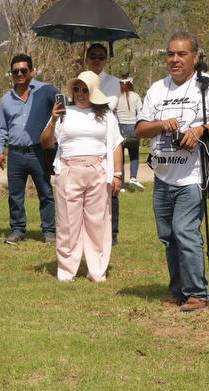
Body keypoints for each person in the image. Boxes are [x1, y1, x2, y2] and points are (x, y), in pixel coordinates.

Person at [135, 32, 209, 311]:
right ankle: (179, 291)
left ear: (195, 57)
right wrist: (161, 125)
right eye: (170, 54)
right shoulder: (157, 89)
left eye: (181, 54)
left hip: (194, 175)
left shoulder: (208, 85)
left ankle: (197, 294)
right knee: (167, 235)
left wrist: (201, 129)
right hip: (163, 174)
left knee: (185, 230)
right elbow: (140, 129)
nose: (175, 59)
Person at [42, 70, 123, 282]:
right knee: (68, 223)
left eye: (84, 89)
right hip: (68, 171)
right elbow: (46, 142)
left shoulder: (106, 116)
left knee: (98, 223)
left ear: (93, 92)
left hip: (98, 170)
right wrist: (53, 119)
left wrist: (118, 175)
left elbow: (116, 144)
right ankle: (67, 271)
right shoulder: (64, 113)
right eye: (76, 89)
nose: (79, 93)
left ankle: (97, 271)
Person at [0, 53, 58, 243]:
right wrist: (0, 150)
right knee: (15, 195)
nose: (20, 74)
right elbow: (1, 126)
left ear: (31, 71)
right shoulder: (6, 99)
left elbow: (63, 109)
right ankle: (17, 229)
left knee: (46, 193)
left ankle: (49, 231)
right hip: (15, 153)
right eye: (16, 71)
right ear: (12, 74)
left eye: (24, 70)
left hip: (39, 152)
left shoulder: (46, 91)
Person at [85, 42, 124, 243]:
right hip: (87, 139)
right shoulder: (80, 80)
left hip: (108, 136)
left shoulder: (113, 81)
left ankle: (112, 232)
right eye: (93, 56)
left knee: (111, 186)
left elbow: (109, 105)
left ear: (106, 60)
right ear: (86, 59)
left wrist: (89, 94)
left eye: (101, 57)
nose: (97, 60)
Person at [115, 78, 144, 190]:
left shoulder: (117, 96)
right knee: (134, 154)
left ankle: (121, 185)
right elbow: (140, 112)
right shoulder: (136, 96)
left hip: (119, 128)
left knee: (119, 157)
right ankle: (133, 178)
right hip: (133, 127)